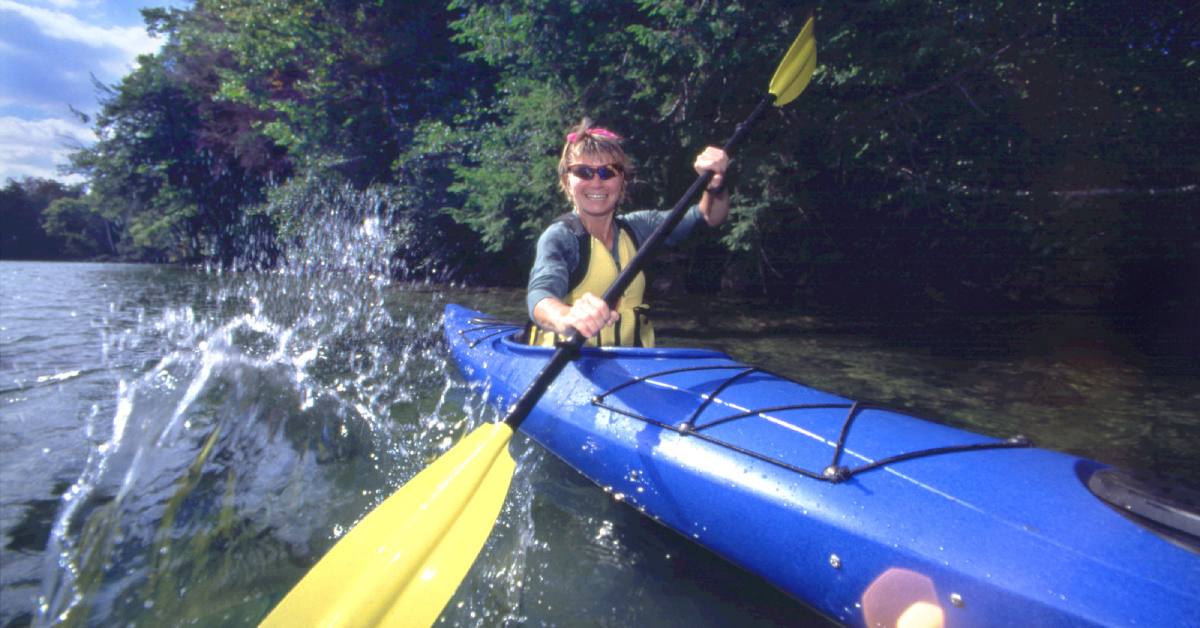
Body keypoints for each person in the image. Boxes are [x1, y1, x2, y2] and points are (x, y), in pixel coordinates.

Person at [526, 119, 730, 347]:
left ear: (622, 181)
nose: (596, 182)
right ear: (567, 180)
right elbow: (540, 296)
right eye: (583, 172)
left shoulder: (640, 227)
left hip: (632, 363)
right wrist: (566, 316)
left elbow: (708, 216)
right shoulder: (561, 237)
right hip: (570, 365)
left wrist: (715, 186)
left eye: (608, 172)